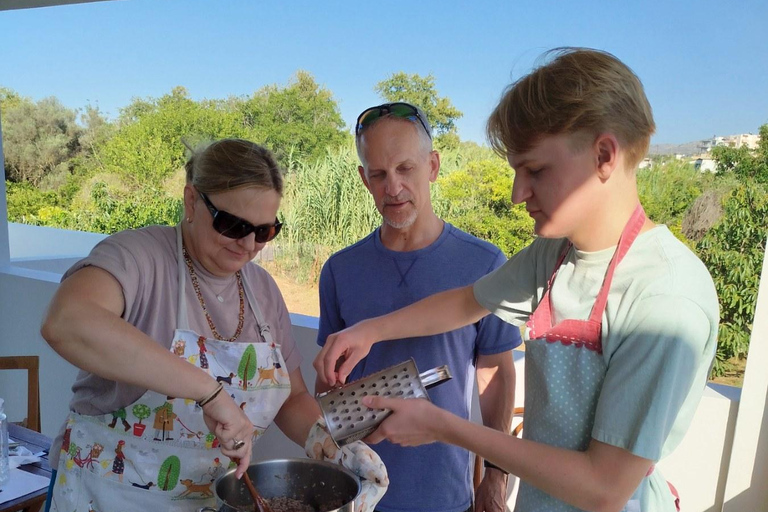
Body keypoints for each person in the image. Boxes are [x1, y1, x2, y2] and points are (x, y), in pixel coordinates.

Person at [315, 49, 719, 512]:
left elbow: (603, 489)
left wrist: (444, 427)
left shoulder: (663, 299)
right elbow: (467, 302)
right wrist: (370, 331)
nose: (516, 194)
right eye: (515, 171)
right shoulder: (556, 253)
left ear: (605, 155)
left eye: (536, 170)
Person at [41, 139, 388, 512]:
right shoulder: (138, 257)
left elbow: (293, 398)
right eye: (233, 225)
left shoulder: (262, 291)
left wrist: (330, 443)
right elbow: (67, 322)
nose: (249, 244)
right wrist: (209, 393)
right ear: (192, 201)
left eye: (265, 231)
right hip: (106, 499)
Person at [315, 102, 522, 512]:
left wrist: (495, 477)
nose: (392, 188)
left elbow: (495, 372)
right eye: (378, 174)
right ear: (363, 178)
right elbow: (327, 384)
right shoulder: (340, 270)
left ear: (432, 166)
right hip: (355, 494)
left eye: (405, 168)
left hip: (445, 496)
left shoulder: (483, 263)